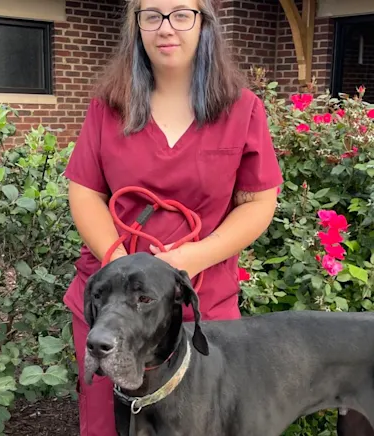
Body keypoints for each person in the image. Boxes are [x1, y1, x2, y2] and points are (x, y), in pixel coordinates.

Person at [63, 0, 283, 434]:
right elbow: (85, 192)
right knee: (110, 427)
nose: (167, 28)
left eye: (181, 14)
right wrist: (119, 264)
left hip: (202, 304)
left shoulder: (242, 109)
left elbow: (258, 201)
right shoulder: (108, 107)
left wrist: (194, 258)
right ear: (137, 26)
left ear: (204, 23)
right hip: (113, 303)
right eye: (152, 15)